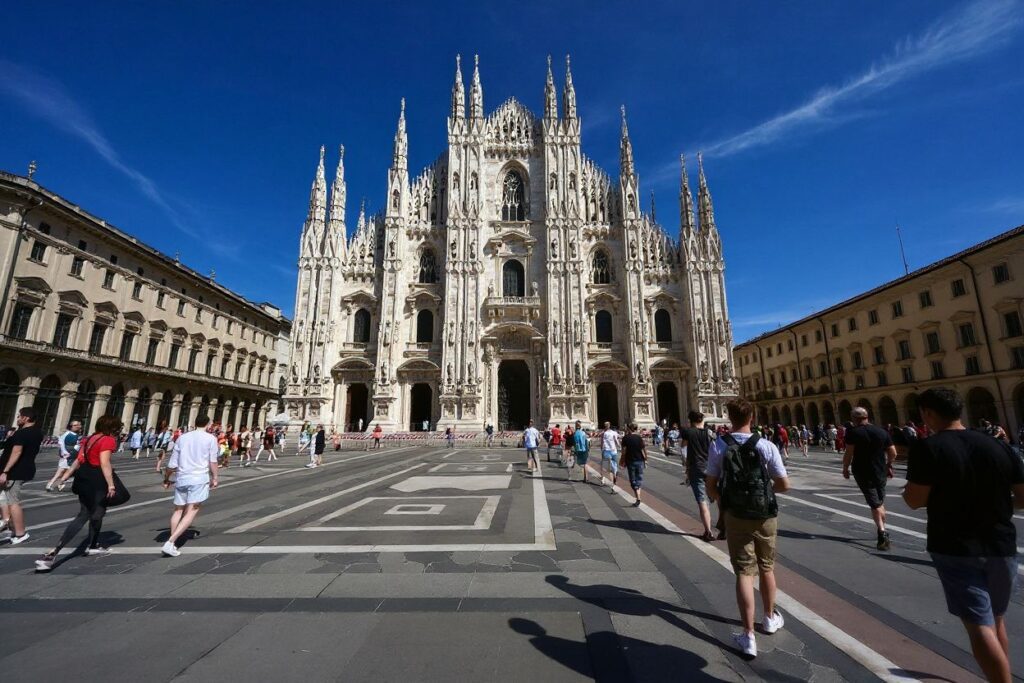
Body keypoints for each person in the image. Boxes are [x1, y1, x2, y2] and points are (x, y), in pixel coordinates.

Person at [903, 389, 1023, 683]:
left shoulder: (929, 448)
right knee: (996, 619)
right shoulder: (999, 445)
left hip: (955, 545)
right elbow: (1022, 497)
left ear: (928, 413)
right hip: (1001, 543)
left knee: (978, 626)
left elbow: (915, 500)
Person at [706, 398, 790, 658]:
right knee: (767, 566)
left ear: (729, 417)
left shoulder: (719, 444)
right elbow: (784, 484)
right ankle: (768, 617)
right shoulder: (766, 445)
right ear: (752, 417)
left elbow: (711, 484)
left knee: (743, 571)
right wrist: (765, 492)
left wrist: (725, 501)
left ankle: (748, 635)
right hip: (765, 513)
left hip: (735, 513)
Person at [34, 415, 125, 571]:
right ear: (112, 427)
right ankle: (52, 553)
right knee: (85, 514)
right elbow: (104, 463)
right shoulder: (108, 440)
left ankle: (93, 544)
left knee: (98, 512)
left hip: (83, 476)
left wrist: (66, 476)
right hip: (97, 479)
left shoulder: (89, 438)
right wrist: (111, 485)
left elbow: (78, 460)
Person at [161, 414, 219, 557]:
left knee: (178, 510)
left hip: (182, 478)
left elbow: (172, 463)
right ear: (208, 424)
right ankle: (170, 541)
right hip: (198, 479)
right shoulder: (210, 439)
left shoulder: (183, 438)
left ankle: (172, 543)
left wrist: (166, 479)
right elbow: (213, 461)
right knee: (192, 511)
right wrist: (215, 477)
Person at [843, 407, 896, 550]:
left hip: (862, 472)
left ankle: (882, 533)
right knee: (879, 501)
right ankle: (883, 528)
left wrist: (845, 468)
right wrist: (889, 464)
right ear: (867, 416)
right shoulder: (881, 431)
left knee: (875, 504)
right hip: (880, 471)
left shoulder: (852, 433)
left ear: (854, 419)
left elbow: (849, 453)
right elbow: (893, 452)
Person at [0, 407, 44, 545]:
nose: (18, 418)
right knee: (6, 498)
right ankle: (10, 525)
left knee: (13, 501)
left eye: (19, 416)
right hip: (25, 469)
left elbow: (16, 453)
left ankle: (20, 533)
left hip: (15, 471)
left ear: (25, 418)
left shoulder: (21, 434)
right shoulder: (37, 432)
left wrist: (5, 471)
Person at [680, 411, 721, 542]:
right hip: (711, 468)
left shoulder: (688, 432)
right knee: (718, 496)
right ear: (702, 419)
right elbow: (716, 449)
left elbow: (683, 449)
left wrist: (686, 465)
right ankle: (724, 528)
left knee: (702, 501)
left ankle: (708, 531)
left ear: (690, 420)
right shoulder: (709, 433)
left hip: (696, 468)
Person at [47, 420, 82, 492]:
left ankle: (59, 484)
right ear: (70, 426)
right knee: (61, 471)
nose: (77, 426)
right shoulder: (67, 433)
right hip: (67, 456)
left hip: (73, 455)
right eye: (75, 425)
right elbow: (61, 442)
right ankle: (50, 484)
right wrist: (64, 452)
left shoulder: (76, 435)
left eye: (78, 425)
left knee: (70, 471)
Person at [620, 422, 647, 506]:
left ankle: (638, 497)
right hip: (640, 461)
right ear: (636, 429)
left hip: (630, 461)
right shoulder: (639, 438)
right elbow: (643, 449)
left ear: (629, 428)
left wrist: (622, 460)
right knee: (639, 479)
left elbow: (624, 451)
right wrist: (646, 458)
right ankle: (638, 496)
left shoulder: (625, 438)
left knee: (633, 481)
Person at [599, 421, 620, 491]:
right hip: (613, 451)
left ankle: (603, 479)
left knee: (605, 467)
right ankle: (614, 478)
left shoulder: (603, 433)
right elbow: (616, 441)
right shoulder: (614, 433)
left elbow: (602, 442)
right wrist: (619, 446)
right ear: (610, 425)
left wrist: (602, 449)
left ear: (605, 426)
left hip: (606, 451)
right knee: (614, 466)